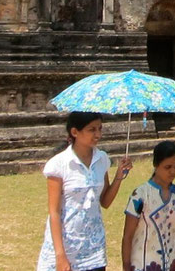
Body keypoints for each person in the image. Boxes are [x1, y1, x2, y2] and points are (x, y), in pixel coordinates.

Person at [37, 111, 134, 271]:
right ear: (75, 132)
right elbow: (54, 212)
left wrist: (119, 177)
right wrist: (60, 255)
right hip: (66, 246)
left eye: (100, 129)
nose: (97, 134)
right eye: (92, 130)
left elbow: (105, 202)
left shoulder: (101, 159)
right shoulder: (59, 164)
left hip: (93, 248)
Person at [121, 140, 175, 271]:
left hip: (173, 264)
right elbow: (127, 236)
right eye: (168, 167)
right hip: (143, 265)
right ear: (156, 165)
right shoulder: (140, 195)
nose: (173, 171)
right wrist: (126, 267)